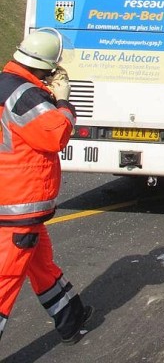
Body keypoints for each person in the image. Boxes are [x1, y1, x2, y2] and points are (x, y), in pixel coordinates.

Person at [0, 28, 93, 344]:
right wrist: (64, 101)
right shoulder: (25, 95)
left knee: (42, 267)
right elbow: (55, 134)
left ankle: (71, 318)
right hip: (18, 206)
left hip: (16, 205)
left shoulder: (6, 86)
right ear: (47, 67)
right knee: (5, 281)